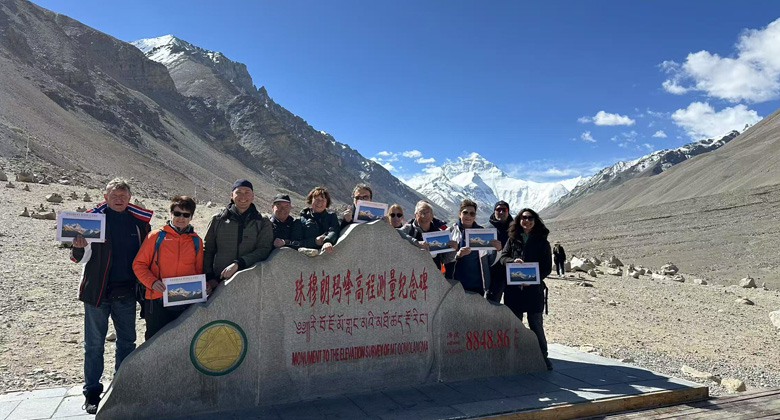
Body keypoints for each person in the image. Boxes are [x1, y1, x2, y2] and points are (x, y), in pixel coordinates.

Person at [69, 178, 152, 414]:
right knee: (93, 345)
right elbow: (80, 259)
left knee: (127, 342)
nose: (118, 200)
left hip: (126, 294)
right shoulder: (92, 220)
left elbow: (146, 257)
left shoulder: (138, 224)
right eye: (114, 196)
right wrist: (78, 246)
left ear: (129, 199)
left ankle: (120, 388)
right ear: (105, 197)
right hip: (97, 293)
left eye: (123, 197)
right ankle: (92, 393)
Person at [132, 196, 203, 340]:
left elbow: (198, 271)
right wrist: (151, 282)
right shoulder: (156, 237)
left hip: (185, 300)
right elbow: (139, 264)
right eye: (177, 213)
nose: (181, 218)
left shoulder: (196, 241)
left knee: (183, 340)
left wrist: (203, 286)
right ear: (171, 213)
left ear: (191, 217)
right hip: (157, 298)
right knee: (155, 341)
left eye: (185, 214)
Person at [495, 208, 553, 370]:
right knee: (514, 323)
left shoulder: (542, 242)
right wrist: (513, 261)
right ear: (519, 220)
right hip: (514, 290)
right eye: (523, 218)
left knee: (536, 323)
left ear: (535, 221)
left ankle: (543, 357)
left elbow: (547, 267)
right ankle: (513, 356)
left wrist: (533, 280)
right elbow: (503, 258)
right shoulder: (512, 239)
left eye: (530, 218)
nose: (526, 221)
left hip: (534, 291)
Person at [203, 179, 273, 295]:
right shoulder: (218, 219)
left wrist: (238, 263)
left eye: (247, 192)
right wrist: (210, 277)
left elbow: (264, 250)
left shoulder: (262, 222)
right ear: (231, 195)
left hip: (251, 279)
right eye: (238, 192)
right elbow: (208, 250)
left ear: (253, 196)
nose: (243, 196)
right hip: (219, 280)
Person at [444, 199, 502, 295]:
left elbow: (490, 261)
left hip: (477, 284)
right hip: (453, 283)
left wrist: (498, 250)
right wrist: (457, 255)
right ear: (460, 214)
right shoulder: (449, 232)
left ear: (475, 216)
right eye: (465, 212)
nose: (468, 216)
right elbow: (443, 259)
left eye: (472, 214)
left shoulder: (483, 232)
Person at [399, 201, 457, 268]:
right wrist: (416, 243)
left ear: (432, 216)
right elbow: (396, 233)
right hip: (412, 273)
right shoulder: (408, 229)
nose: (424, 216)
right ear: (415, 215)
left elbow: (445, 259)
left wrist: (453, 249)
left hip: (433, 274)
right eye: (421, 213)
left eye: (427, 213)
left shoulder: (439, 233)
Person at [486, 200, 513, 302]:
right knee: (492, 303)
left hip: (512, 271)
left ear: (508, 211)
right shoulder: (486, 228)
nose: (501, 212)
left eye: (504, 209)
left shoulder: (515, 228)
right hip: (494, 274)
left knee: (512, 306)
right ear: (494, 211)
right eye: (498, 209)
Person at [300, 186, 340, 253]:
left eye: (323, 200)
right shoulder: (302, 220)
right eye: (317, 199)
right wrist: (315, 241)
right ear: (311, 200)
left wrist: (327, 241)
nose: (319, 202)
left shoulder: (332, 217)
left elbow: (334, 231)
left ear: (327, 203)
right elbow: (297, 242)